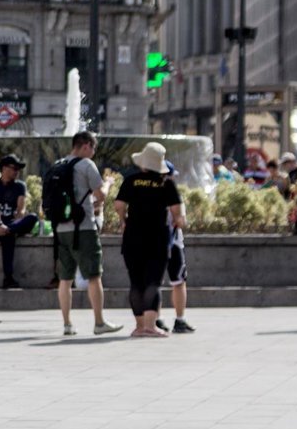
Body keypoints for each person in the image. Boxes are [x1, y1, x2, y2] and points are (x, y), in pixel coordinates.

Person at [56, 131, 122, 337]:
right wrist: (108, 184)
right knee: (94, 276)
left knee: (65, 279)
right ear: (85, 146)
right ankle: (99, 322)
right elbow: (100, 196)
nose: (94, 153)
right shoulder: (86, 165)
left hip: (61, 228)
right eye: (93, 148)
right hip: (83, 228)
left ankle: (67, 324)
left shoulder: (58, 165)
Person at [114, 143, 182, 338]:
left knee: (136, 282)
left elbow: (119, 205)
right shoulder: (166, 183)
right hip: (157, 239)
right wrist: (177, 221)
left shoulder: (131, 180)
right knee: (153, 282)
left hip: (132, 238)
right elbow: (177, 212)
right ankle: (150, 326)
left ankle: (139, 326)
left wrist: (123, 220)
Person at [0, 154, 38, 289]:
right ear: (4, 168)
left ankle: (6, 231)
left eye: (18, 169)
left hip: (13, 224)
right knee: (8, 237)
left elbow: (21, 210)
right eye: (14, 168)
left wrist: (10, 226)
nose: (17, 172)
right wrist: (0, 224)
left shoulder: (20, 186)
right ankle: (8, 278)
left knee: (32, 217)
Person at [156, 162, 195, 334]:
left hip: (151, 242)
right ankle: (180, 320)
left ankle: (155, 319)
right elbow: (180, 220)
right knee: (178, 282)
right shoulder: (172, 192)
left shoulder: (145, 192)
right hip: (173, 242)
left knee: (154, 282)